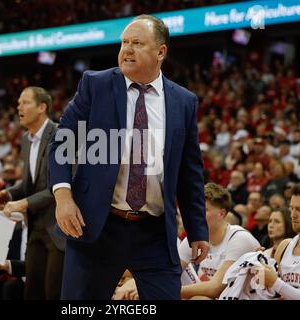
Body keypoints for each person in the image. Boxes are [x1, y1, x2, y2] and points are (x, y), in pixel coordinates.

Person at [48, 14, 209, 300]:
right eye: (124, 42)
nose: (127, 49)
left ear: (160, 52)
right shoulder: (95, 85)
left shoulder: (183, 101)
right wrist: (62, 196)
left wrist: (198, 229)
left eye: (137, 43)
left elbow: (190, 172)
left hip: (155, 232)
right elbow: (62, 141)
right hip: (99, 225)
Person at [0, 87, 65, 300]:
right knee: (31, 291)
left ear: (42, 107)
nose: (19, 107)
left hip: (58, 227)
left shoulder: (61, 135)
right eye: (18, 103)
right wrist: (10, 193)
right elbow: (30, 183)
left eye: (25, 102)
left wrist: (22, 203)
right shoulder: (26, 140)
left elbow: (60, 186)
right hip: (36, 226)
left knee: (53, 292)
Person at [179, 183, 259, 299]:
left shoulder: (240, 238)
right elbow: (171, 273)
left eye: (204, 210)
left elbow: (214, 289)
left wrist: (168, 291)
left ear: (221, 213)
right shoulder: (194, 237)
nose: (198, 215)